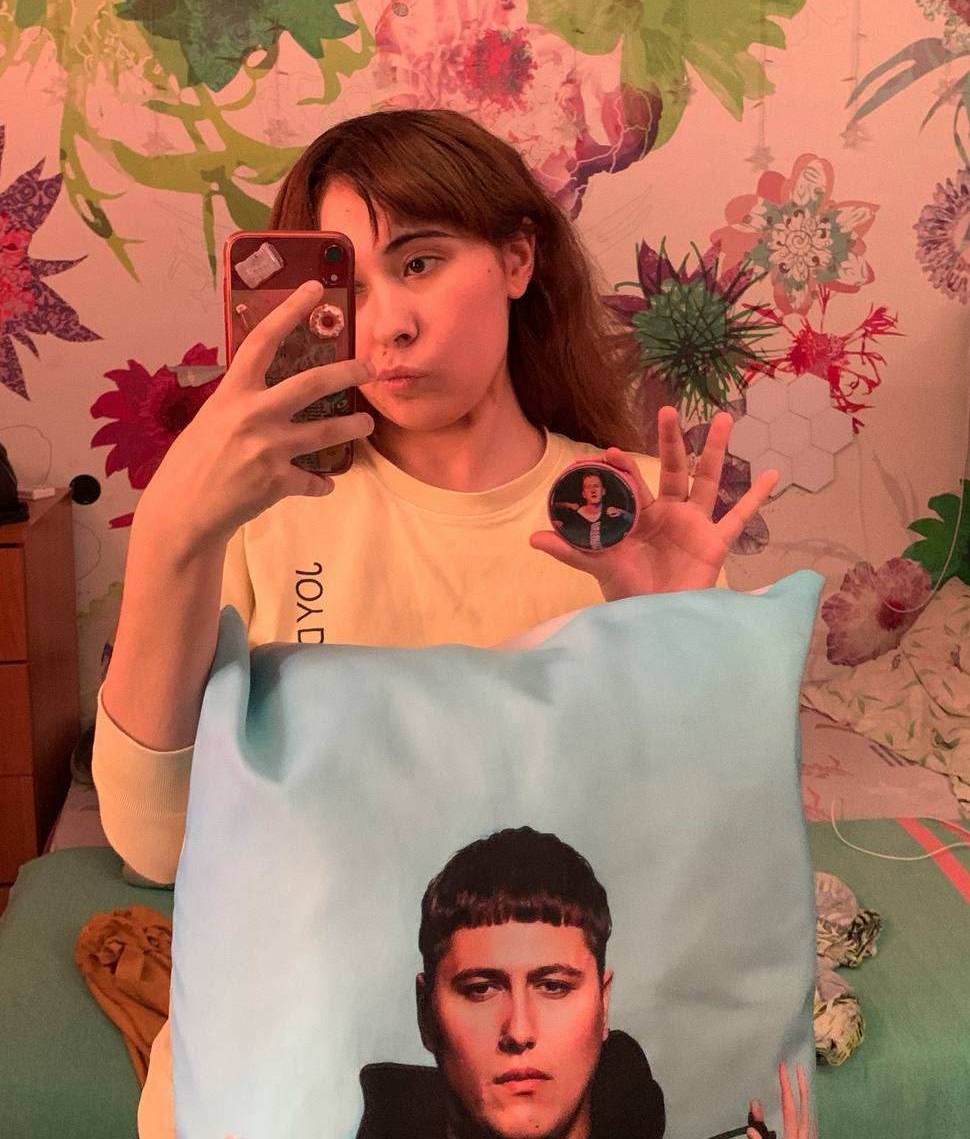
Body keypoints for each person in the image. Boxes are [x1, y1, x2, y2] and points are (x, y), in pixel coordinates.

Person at [91, 108, 780, 1139]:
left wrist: (671, 635)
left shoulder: (631, 512)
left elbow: (712, 871)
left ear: (517, 258)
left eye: (419, 262)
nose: (387, 327)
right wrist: (172, 538)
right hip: (279, 1079)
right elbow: (153, 845)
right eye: (349, 288)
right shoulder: (258, 514)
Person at [356, 827, 813, 1139]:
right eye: (481, 989)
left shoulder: (628, 1093)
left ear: (603, 1004)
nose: (519, 1031)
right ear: (426, 1012)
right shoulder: (392, 1117)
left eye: (554, 986)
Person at [550, 468, 636, 550]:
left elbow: (635, 520)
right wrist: (567, 505)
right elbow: (553, 506)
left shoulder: (611, 514)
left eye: (596, 486)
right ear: (584, 494)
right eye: (588, 487)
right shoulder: (573, 516)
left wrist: (621, 512)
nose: (593, 490)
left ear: (603, 491)